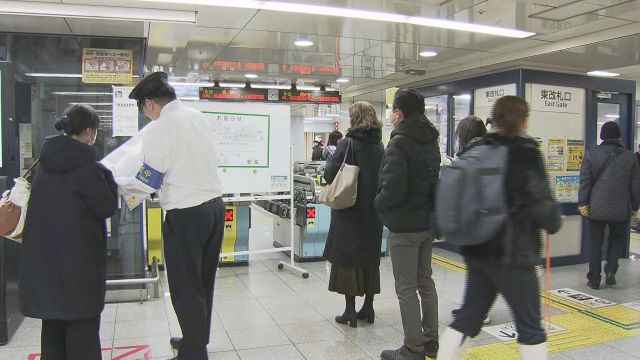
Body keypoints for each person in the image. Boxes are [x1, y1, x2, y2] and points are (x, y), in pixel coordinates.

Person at [437, 96, 562, 360]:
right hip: (513, 255)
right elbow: (540, 201)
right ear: (524, 120)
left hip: (478, 250)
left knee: (467, 319)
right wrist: (553, 221)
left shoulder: (479, 148)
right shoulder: (525, 151)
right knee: (530, 327)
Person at [127, 72, 225, 360]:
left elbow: (149, 180)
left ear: (149, 103)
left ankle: (194, 354)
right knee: (204, 281)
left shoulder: (161, 127)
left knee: (185, 287)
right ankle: (196, 341)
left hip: (186, 214)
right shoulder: (197, 116)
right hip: (214, 209)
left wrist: (123, 192)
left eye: (143, 109)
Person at [19, 105, 118, 359]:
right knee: (82, 329)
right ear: (89, 132)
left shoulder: (44, 162)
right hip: (79, 265)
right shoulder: (87, 166)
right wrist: (109, 179)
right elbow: (105, 206)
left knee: (52, 328)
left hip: (46, 263)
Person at [375, 89, 441, 360]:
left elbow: (392, 189)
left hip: (405, 227)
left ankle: (413, 349)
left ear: (399, 113)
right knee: (425, 281)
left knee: (405, 288)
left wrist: (377, 204)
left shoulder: (399, 142)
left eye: (392, 110)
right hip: (427, 222)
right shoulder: (431, 140)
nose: (391, 114)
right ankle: (430, 341)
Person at [323, 101, 384, 328]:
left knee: (347, 259)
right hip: (373, 212)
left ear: (354, 119)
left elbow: (331, 174)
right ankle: (368, 307)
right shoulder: (380, 145)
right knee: (369, 258)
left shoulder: (348, 143)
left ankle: (350, 310)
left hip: (349, 211)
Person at [578, 121, 640, 290]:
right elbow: (636, 185)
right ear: (618, 136)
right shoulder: (630, 157)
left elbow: (585, 181)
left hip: (596, 208)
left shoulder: (592, 154)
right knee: (616, 240)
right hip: (621, 208)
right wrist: (635, 207)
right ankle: (611, 270)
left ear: (601, 136)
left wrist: (583, 203)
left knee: (596, 242)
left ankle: (594, 279)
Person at [449, 115, 491, 325]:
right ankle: (471, 308)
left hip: (479, 222)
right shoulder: (486, 152)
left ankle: (478, 312)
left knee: (479, 269)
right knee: (476, 268)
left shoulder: (474, 156)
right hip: (483, 220)